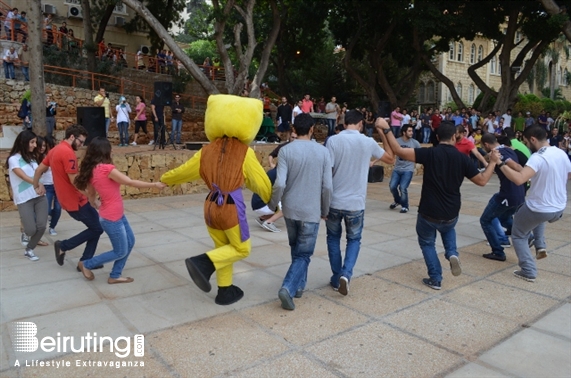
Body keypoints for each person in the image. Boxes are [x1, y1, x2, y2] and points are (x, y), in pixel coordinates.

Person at [161, 94, 272, 305]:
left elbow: (183, 172)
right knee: (241, 249)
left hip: (211, 206)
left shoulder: (206, 151)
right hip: (231, 208)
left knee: (224, 248)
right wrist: (270, 199)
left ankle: (225, 290)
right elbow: (261, 183)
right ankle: (203, 262)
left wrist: (165, 180)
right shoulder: (244, 153)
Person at [378, 122, 497, 290]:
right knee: (448, 227)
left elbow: (398, 151)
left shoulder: (430, 154)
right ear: (455, 137)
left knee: (427, 243)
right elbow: (483, 180)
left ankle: (436, 278)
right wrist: (492, 162)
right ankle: (452, 253)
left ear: (438, 137)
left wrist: (387, 129)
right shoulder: (463, 158)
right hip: (451, 211)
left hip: (428, 211)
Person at [74, 138, 166, 283]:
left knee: (130, 242)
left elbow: (91, 195)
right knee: (120, 250)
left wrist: (96, 203)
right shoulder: (107, 169)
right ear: (105, 151)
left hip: (113, 215)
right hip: (112, 218)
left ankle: (115, 275)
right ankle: (87, 264)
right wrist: (154, 184)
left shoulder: (92, 170)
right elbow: (129, 182)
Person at [268, 113, 333, 310]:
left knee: (296, 249)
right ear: (312, 129)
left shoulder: (286, 151)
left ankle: (298, 287)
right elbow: (328, 187)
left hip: (290, 209)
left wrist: (273, 204)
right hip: (311, 211)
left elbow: (280, 182)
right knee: (304, 255)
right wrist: (325, 209)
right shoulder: (322, 152)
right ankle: (288, 287)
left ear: (294, 130)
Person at [325, 111, 394, 296]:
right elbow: (390, 157)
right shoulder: (367, 142)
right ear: (361, 123)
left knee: (332, 238)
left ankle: (335, 277)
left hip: (334, 201)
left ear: (344, 122)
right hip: (356, 203)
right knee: (354, 239)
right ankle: (346, 274)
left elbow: (327, 171)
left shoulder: (333, 140)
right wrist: (382, 133)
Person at [492, 126, 571, 281]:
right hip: (559, 207)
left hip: (540, 208)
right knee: (529, 213)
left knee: (518, 233)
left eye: (527, 141)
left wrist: (499, 163)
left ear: (533, 139)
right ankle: (540, 245)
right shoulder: (561, 153)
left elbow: (519, 179)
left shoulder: (538, 157)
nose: (527, 144)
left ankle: (528, 271)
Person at [33, 125, 104, 271]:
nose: (81, 145)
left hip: (68, 200)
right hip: (76, 201)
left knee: (96, 228)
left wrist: (36, 185)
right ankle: (64, 246)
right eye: (80, 141)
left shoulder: (54, 150)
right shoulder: (67, 153)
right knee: (97, 228)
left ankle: (85, 261)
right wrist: (92, 198)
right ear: (72, 137)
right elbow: (75, 182)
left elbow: (39, 169)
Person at [479, 133, 525, 262]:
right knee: (504, 217)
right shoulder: (507, 149)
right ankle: (528, 235)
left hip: (508, 195)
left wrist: (523, 175)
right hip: (519, 194)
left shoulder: (499, 154)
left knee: (486, 220)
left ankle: (498, 251)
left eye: (483, 146)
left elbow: (516, 166)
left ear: (486, 144)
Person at [7, 130, 48, 261]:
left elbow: (38, 173)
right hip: (24, 198)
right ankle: (26, 233)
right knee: (31, 229)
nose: (35, 145)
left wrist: (41, 184)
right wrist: (37, 183)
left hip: (39, 196)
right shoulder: (13, 159)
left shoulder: (32, 158)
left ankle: (29, 249)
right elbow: (22, 176)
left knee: (41, 226)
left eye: (35, 142)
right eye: (32, 142)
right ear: (23, 142)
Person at [389, 124, 420, 214]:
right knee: (392, 186)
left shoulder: (415, 143)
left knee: (403, 187)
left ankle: (405, 206)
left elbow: (421, 154)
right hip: (397, 169)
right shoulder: (396, 141)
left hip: (408, 169)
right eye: (409, 131)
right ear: (404, 132)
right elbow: (390, 152)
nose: (411, 133)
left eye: (412, 131)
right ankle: (398, 200)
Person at [37, 136, 61, 237]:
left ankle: (52, 227)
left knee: (58, 208)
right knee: (46, 209)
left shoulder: (57, 155)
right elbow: (42, 171)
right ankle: (51, 215)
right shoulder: (42, 157)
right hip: (47, 185)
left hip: (58, 185)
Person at [251, 167, 283, 232]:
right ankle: (269, 222)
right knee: (289, 205)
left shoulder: (274, 171)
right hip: (262, 204)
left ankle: (262, 219)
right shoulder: (280, 174)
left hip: (257, 204)